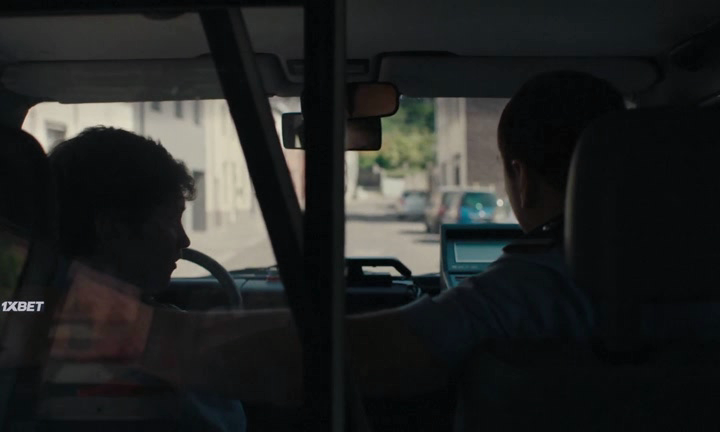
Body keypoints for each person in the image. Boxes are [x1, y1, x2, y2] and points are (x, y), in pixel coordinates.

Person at [51, 71, 626, 416]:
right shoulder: (653, 271)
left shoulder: (533, 286)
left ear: (522, 179)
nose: (183, 239)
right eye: (170, 219)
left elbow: (358, 359)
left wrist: (144, 333)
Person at [47, 127, 247, 432]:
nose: (184, 240)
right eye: (170, 219)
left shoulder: (30, 304)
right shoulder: (140, 355)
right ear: (112, 229)